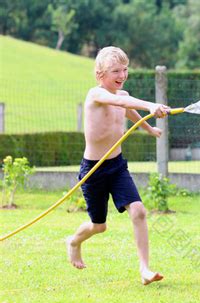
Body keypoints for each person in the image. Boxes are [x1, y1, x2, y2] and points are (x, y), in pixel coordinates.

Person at [66, 46, 170, 285]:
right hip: (93, 169)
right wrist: (151, 106)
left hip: (117, 167)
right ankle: (74, 242)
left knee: (139, 211)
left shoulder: (123, 97)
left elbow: (129, 110)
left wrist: (149, 127)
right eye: (116, 71)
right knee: (99, 226)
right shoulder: (96, 94)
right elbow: (120, 102)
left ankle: (144, 269)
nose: (122, 75)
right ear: (99, 74)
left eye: (125, 70)